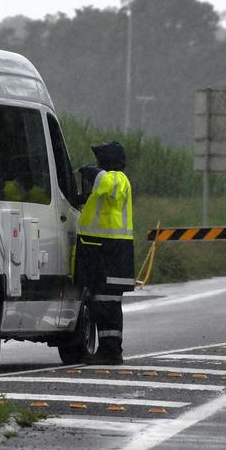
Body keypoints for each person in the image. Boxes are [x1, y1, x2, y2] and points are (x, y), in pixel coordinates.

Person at [74, 141, 135, 365]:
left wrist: (91, 172)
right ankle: (108, 350)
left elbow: (108, 185)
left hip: (112, 252)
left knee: (108, 304)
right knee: (102, 303)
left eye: (100, 160)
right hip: (103, 251)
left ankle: (111, 352)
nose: (97, 163)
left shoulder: (118, 179)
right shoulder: (107, 184)